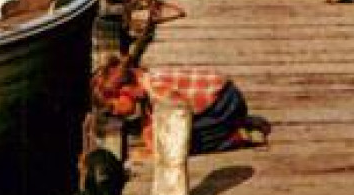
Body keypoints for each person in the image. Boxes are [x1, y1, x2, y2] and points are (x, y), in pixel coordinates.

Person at [92, 59, 269, 154]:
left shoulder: (156, 89)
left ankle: (235, 136)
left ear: (124, 92)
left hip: (225, 103)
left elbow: (178, 119)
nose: (117, 114)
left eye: (114, 108)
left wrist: (157, 145)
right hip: (225, 97)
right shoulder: (146, 81)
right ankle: (236, 122)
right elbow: (150, 118)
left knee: (182, 143)